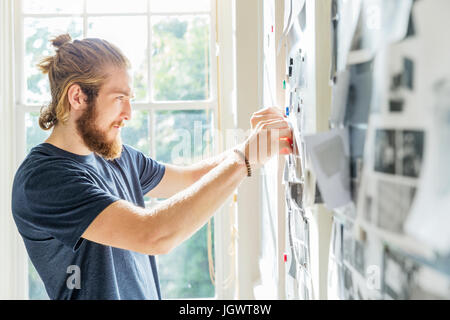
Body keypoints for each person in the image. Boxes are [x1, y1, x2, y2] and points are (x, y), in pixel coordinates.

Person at [11, 34, 292, 300]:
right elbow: (154, 235)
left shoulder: (115, 156)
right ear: (78, 97)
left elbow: (190, 178)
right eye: (119, 98)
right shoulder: (44, 179)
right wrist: (243, 160)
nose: (128, 114)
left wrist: (254, 144)